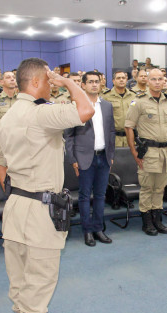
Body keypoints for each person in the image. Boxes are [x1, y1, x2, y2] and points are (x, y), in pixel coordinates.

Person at [0, 58, 94, 313]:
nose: (53, 84)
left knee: (20, 272)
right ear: (36, 82)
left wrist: (19, 189)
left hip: (15, 205)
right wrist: (70, 82)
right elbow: (86, 110)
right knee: (41, 275)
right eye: (49, 80)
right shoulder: (41, 113)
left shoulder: (9, 116)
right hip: (39, 211)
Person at [65, 72, 115, 246]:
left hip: (103, 157)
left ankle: (98, 229)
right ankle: (87, 231)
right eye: (90, 82)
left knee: (101, 195)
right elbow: (69, 136)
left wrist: (112, 155)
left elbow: (111, 132)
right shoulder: (75, 106)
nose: (94, 85)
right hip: (84, 158)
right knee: (85, 196)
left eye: (97, 82)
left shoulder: (107, 106)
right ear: (83, 85)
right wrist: (72, 159)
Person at [125, 68, 167, 236]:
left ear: (164, 81)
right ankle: (147, 222)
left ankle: (157, 219)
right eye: (153, 79)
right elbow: (129, 126)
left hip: (165, 152)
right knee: (147, 187)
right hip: (148, 152)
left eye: (160, 79)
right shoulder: (138, 101)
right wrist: (134, 151)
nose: (157, 82)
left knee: (160, 187)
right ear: (147, 81)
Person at [102, 71, 136, 147]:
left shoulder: (133, 96)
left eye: (123, 78)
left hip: (131, 137)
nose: (121, 80)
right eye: (118, 78)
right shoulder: (106, 97)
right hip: (114, 138)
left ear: (126, 80)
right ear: (113, 81)